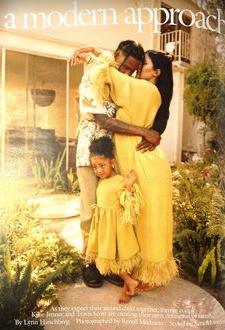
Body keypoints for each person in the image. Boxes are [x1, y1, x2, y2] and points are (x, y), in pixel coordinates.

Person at [70, 40, 164, 289]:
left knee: (111, 209)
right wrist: (146, 132)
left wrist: (93, 49)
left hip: (114, 152)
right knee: (90, 210)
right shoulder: (94, 75)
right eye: (125, 68)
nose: (127, 74)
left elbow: (104, 57)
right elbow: (102, 120)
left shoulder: (114, 73)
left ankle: (107, 263)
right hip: (90, 151)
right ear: (117, 56)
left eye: (133, 70)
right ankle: (89, 262)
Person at [86, 136, 142, 303]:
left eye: (102, 165)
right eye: (95, 167)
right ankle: (130, 282)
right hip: (104, 227)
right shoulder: (100, 182)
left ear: (112, 162)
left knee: (116, 258)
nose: (98, 170)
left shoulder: (119, 181)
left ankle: (130, 281)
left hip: (117, 227)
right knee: (107, 257)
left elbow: (129, 203)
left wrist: (130, 185)